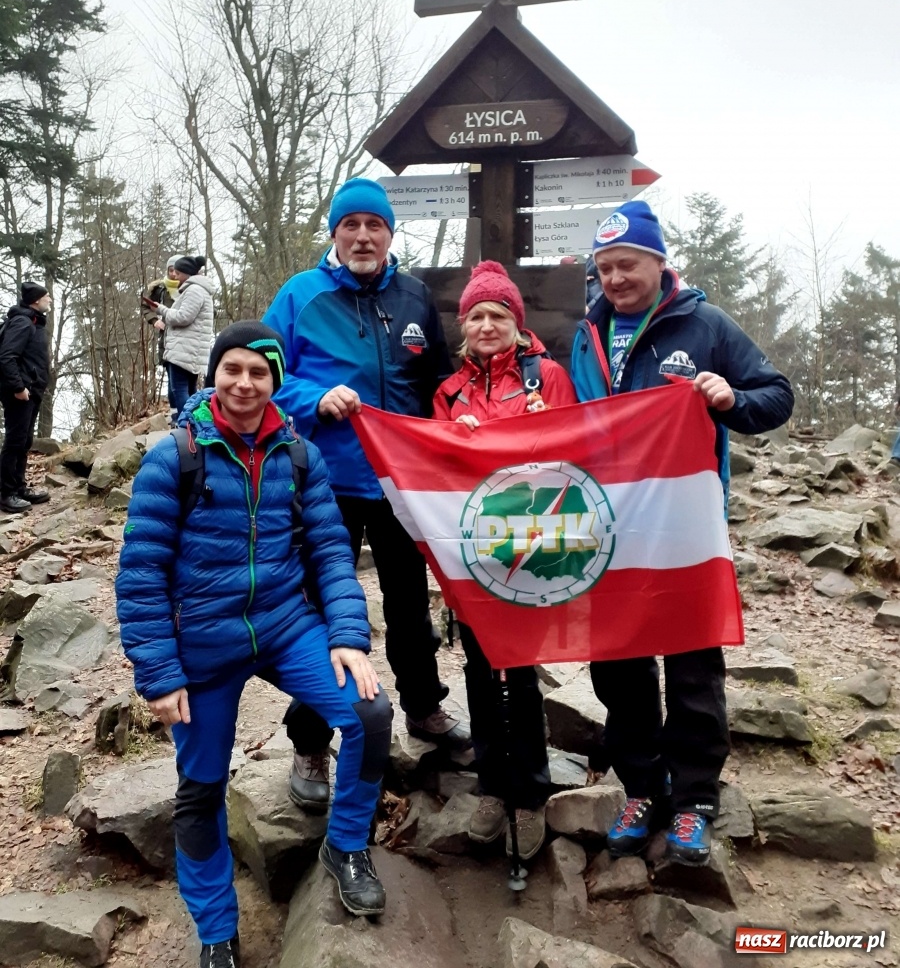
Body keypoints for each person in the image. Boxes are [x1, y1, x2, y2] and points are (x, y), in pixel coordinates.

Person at [116, 321, 392, 967]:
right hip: (202, 647)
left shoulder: (300, 455)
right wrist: (158, 670)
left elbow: (330, 550)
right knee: (201, 789)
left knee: (370, 713)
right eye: (231, 369)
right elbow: (140, 571)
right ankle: (216, 931)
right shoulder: (175, 456)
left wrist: (348, 633)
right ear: (214, 374)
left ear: (275, 382)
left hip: (285, 625)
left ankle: (345, 844)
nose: (244, 383)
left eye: (258, 372)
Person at [571, 199, 794, 866]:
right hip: (606, 527)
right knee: (617, 663)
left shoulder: (705, 323)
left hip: (685, 525)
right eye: (605, 267)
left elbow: (776, 395)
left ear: (659, 261)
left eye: (628, 264)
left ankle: (695, 798)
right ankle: (642, 785)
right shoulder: (583, 331)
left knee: (694, 664)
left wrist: (731, 399)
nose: (616, 278)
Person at [263, 176, 467, 813]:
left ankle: (425, 707)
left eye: (373, 226)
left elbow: (436, 378)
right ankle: (310, 739)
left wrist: (460, 415)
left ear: (389, 234)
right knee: (321, 611)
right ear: (334, 234)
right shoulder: (300, 294)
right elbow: (262, 372)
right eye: (349, 226)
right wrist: (312, 399)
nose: (362, 236)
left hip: (401, 482)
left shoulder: (413, 295)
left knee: (409, 601)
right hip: (323, 479)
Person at [432, 261, 578, 860]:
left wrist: (550, 430)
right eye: (476, 315)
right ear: (464, 326)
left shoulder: (549, 377)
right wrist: (453, 438)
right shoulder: (448, 391)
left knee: (522, 668)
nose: (487, 324)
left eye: (498, 314)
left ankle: (532, 791)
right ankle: (492, 786)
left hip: (536, 543)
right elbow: (436, 475)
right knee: (478, 666)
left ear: (517, 324)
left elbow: (576, 455)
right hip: (475, 548)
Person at [0, 282, 52, 514]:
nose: (49, 299)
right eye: (46, 296)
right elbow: (7, 357)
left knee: (24, 441)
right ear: (35, 301)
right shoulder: (22, 322)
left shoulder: (33, 321)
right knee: (15, 441)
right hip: (20, 393)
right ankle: (6, 493)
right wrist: (19, 387)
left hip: (32, 391)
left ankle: (19, 488)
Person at [149, 255, 216, 424]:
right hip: (189, 349)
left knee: (179, 388)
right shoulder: (197, 290)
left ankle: (186, 424)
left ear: (186, 273)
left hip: (185, 349)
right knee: (190, 389)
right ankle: (194, 423)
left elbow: (182, 317)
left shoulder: (194, 291)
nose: (175, 276)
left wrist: (162, 310)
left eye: (178, 273)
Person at [141, 254, 185, 371]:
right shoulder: (160, 289)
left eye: (177, 271)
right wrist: (154, 320)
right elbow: (145, 305)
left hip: (187, 341)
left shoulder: (192, 289)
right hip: (167, 340)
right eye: (171, 270)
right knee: (173, 382)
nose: (174, 274)